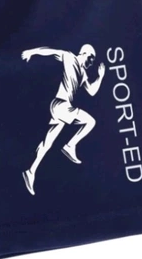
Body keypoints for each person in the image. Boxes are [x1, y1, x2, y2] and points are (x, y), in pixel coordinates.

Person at [21, 44, 105, 195]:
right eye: (91, 58)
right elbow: (50, 51)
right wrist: (31, 52)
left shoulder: (83, 73)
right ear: (84, 53)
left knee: (47, 143)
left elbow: (92, 91)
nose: (91, 62)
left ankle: (30, 171)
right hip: (60, 105)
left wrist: (100, 77)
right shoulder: (69, 57)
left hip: (62, 108)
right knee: (90, 121)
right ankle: (70, 146)